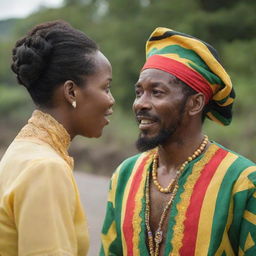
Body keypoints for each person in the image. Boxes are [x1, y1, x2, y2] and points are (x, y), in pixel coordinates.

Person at [100, 27, 256, 256]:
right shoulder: (125, 174)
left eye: (157, 92)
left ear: (195, 104)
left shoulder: (242, 182)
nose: (140, 103)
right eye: (139, 92)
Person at [0, 20, 114, 256]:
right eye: (105, 87)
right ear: (71, 91)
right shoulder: (45, 168)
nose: (111, 100)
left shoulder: (22, 151)